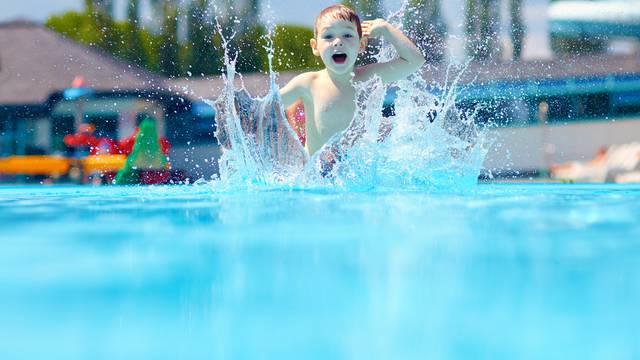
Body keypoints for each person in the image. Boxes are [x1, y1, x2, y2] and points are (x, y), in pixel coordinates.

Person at [279, 4, 425, 159]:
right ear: (315, 47)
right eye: (328, 36)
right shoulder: (308, 83)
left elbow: (415, 61)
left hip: (354, 174)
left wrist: (386, 29)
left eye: (347, 35)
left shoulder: (369, 77)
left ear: (361, 44)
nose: (338, 42)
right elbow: (267, 106)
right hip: (316, 176)